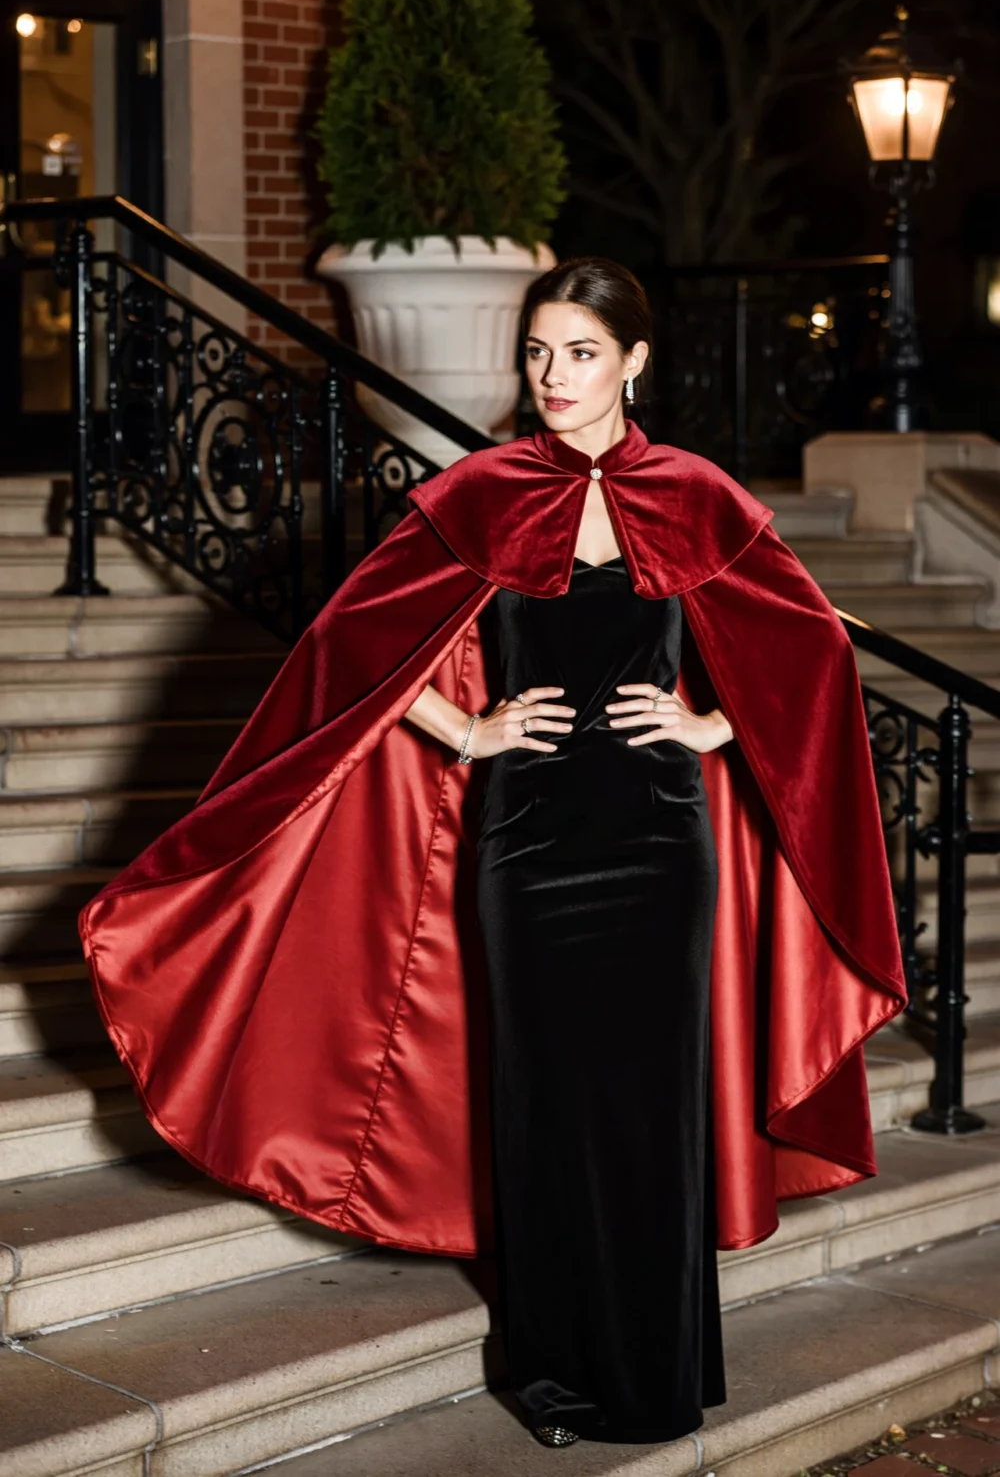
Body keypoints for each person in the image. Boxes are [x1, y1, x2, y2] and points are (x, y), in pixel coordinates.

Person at [80, 258, 907, 1453]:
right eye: (537, 353)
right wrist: (466, 729)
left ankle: (654, 1370)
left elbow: (814, 654)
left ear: (634, 361)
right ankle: (558, 1373)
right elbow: (350, 649)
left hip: (659, 841)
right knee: (541, 1107)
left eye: (580, 352)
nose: (554, 377)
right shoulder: (480, 492)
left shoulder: (697, 494)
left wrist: (712, 724)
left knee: (646, 1111)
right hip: (523, 842)